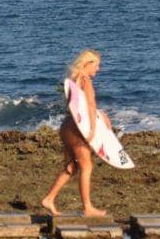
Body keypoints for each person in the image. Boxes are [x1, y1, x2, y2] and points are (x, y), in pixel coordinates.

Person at [41, 49, 111, 217]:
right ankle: (88, 208)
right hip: (76, 130)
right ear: (88, 64)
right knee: (87, 166)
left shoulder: (74, 79)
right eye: (97, 65)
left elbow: (78, 107)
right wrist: (94, 129)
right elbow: (90, 106)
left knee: (72, 167)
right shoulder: (85, 80)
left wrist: (101, 116)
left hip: (67, 127)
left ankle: (49, 199)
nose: (98, 69)